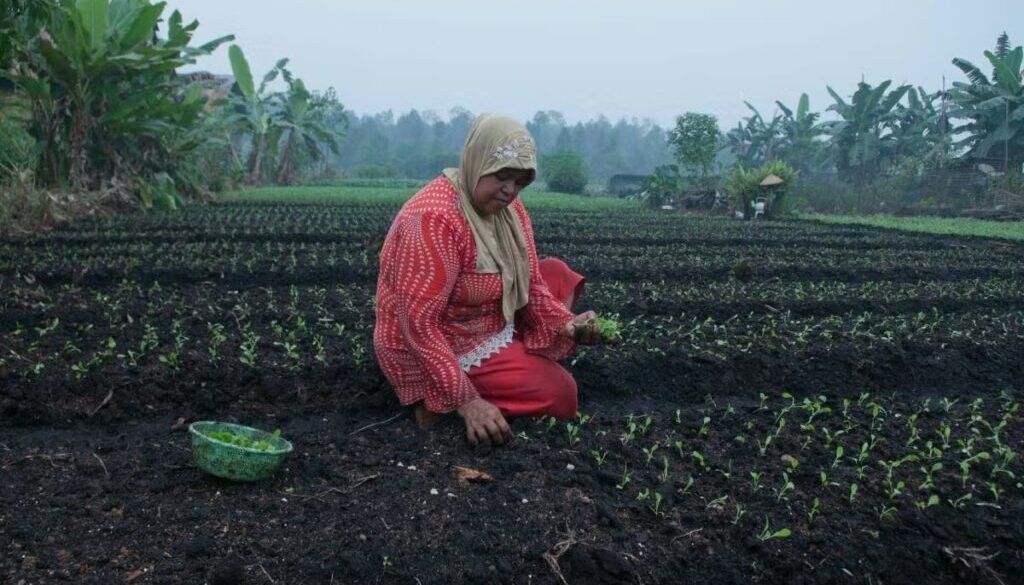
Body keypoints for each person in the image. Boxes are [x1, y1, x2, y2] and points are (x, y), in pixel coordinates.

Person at [374, 114, 602, 446]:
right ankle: (437, 400)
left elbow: (532, 283)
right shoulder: (433, 220)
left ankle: (516, 360)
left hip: (488, 317)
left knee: (556, 273)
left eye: (520, 182)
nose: (510, 191)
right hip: (442, 339)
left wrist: (567, 325)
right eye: (502, 176)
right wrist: (467, 401)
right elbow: (419, 326)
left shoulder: (510, 209)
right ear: (476, 162)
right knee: (561, 394)